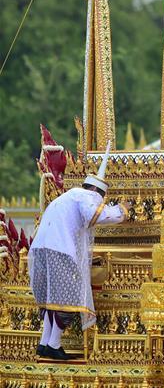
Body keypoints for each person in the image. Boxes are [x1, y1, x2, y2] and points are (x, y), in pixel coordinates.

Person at [28, 139, 130, 361]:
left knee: (51, 300)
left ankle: (46, 343)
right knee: (67, 299)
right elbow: (98, 215)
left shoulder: (68, 196)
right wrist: (122, 210)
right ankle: (54, 344)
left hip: (41, 250)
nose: (99, 202)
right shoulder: (85, 196)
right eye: (101, 198)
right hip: (59, 252)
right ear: (95, 191)